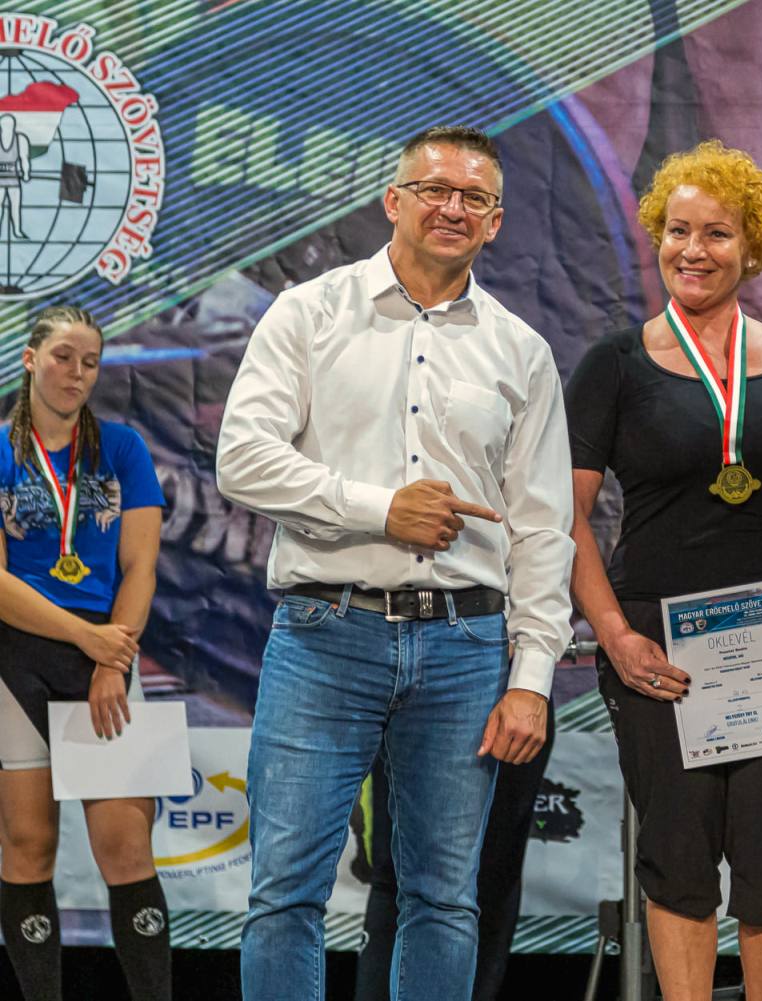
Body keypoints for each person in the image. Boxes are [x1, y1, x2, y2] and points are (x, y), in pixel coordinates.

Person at [216, 125, 575, 1001]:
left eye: (475, 198)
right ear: (393, 200)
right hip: (324, 632)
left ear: (496, 221)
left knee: (445, 899)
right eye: (434, 189)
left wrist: (531, 677)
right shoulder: (309, 312)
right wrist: (380, 507)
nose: (453, 207)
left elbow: (542, 529)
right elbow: (242, 459)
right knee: (284, 893)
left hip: (465, 647)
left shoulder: (520, 350)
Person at [565, 139, 762, 1001]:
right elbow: (562, 519)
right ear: (656, 237)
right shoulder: (613, 365)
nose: (694, 250)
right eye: (678, 230)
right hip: (659, 646)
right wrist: (615, 635)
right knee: (677, 856)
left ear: (751, 247)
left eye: (717, 233)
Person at [0, 305, 168, 1000]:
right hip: (16, 659)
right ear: (30, 359)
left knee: (127, 848)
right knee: (28, 846)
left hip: (106, 655)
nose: (77, 373)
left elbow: (140, 567)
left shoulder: (122, 448)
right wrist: (86, 638)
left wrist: (108, 660)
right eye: (63, 357)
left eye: (90, 362)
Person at [351, 700, 555, 1001]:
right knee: (395, 874)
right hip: (407, 695)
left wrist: (531, 683)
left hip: (507, 696)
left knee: (485, 882)